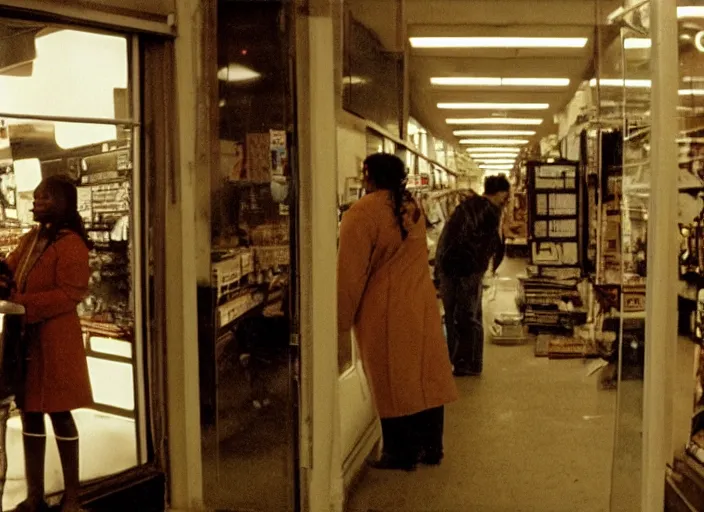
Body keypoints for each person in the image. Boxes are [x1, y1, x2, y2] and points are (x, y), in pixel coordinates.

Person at [337, 153, 458, 471]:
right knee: (425, 376)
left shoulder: (360, 214)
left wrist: (340, 318)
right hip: (420, 302)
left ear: (369, 176)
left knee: (392, 379)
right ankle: (432, 447)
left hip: (385, 308)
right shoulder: (411, 207)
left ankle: (400, 452)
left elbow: (350, 273)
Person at [7, 175, 92, 512]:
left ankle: (72, 498)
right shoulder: (32, 238)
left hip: (56, 341)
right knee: (30, 414)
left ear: (63, 203)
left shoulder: (71, 243)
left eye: (46, 197)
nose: (38, 201)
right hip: (29, 342)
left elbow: (71, 294)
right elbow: (10, 267)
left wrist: (24, 304)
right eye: (37, 196)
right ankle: (34, 495)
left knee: (59, 413)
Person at [435, 174, 510, 377]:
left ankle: (455, 360)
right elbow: (495, 245)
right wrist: (486, 267)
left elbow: (445, 237)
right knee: (469, 316)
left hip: (449, 268)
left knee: (453, 317)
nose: (507, 200)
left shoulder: (463, 208)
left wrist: (438, 269)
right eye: (506, 195)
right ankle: (470, 363)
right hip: (469, 271)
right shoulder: (492, 212)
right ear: (500, 193)